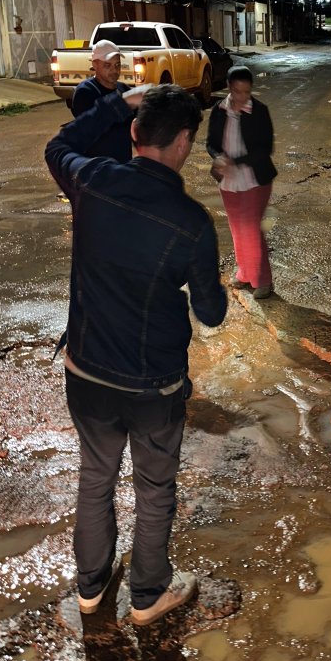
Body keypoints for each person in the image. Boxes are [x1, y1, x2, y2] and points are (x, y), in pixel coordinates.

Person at [45, 83, 227, 626]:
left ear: (134, 133)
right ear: (185, 143)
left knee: (95, 477)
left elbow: (57, 146)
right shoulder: (192, 222)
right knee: (153, 489)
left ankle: (90, 589)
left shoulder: (93, 181)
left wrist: (114, 102)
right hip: (154, 385)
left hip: (87, 370)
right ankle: (148, 596)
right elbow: (212, 314)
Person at [206, 65, 277, 299]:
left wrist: (235, 161)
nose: (242, 97)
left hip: (254, 179)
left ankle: (263, 280)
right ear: (229, 88)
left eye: (247, 92)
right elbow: (211, 143)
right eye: (237, 91)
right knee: (237, 229)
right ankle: (245, 273)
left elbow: (266, 148)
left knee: (252, 230)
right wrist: (218, 158)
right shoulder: (219, 110)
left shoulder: (259, 111)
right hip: (229, 181)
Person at [71, 39, 133, 162]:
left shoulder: (123, 89)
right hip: (97, 170)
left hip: (123, 166)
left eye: (117, 65)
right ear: (95, 65)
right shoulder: (85, 92)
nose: (115, 71)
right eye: (107, 65)